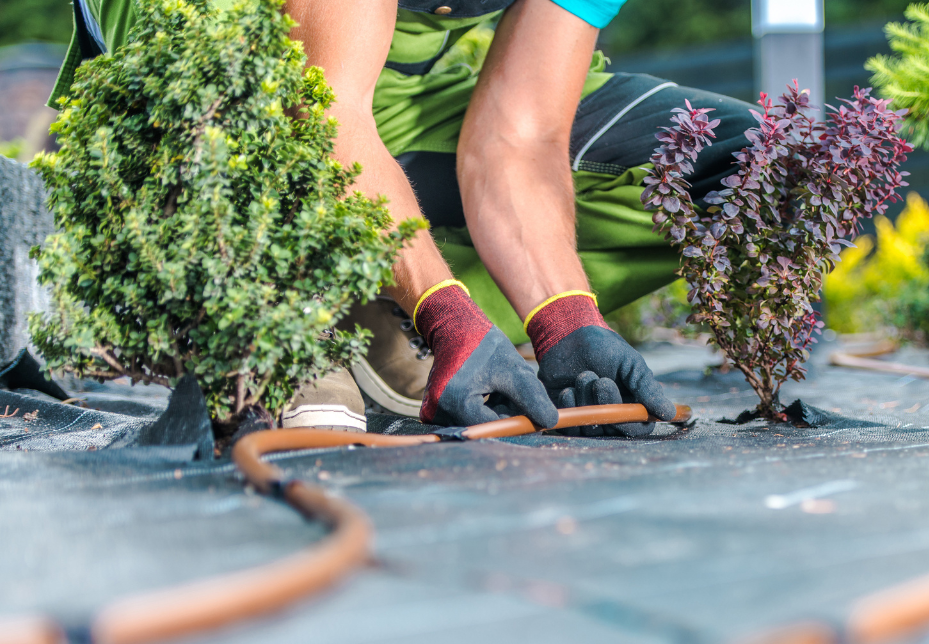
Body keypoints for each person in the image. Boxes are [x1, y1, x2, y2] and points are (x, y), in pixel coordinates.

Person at [50, 0, 757, 436]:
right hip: (217, 45)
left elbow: (520, 135)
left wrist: (567, 321)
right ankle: (288, 309)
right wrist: (442, 310)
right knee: (234, 68)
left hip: (385, 77)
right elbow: (322, 103)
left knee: (749, 161)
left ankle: (382, 304)